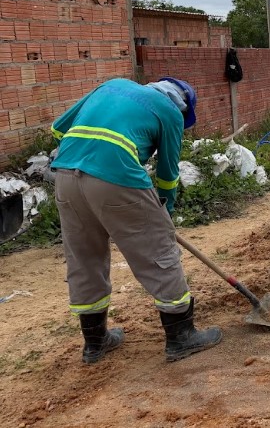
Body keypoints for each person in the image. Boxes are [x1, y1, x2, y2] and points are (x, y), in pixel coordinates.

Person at [50, 77, 222, 364]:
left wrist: (87, 153)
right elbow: (168, 175)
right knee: (158, 251)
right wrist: (163, 212)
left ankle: (95, 342)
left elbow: (58, 129)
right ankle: (181, 337)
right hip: (116, 178)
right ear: (182, 106)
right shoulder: (169, 113)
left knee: (84, 258)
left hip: (66, 176)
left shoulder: (111, 85)